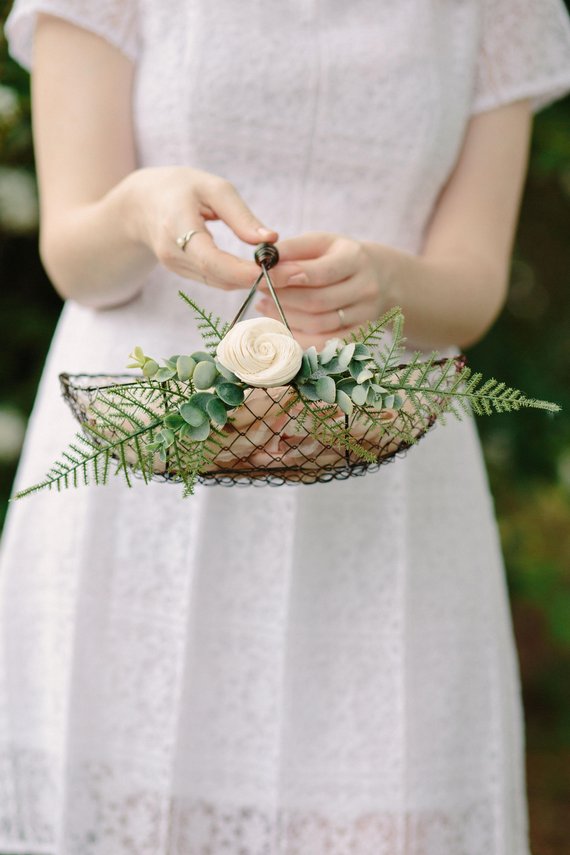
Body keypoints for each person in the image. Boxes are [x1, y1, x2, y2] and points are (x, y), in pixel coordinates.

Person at [1, 1, 570, 853]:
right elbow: (75, 255)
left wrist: (387, 280)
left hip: (389, 494)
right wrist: (139, 212)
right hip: (146, 472)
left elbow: (474, 286)